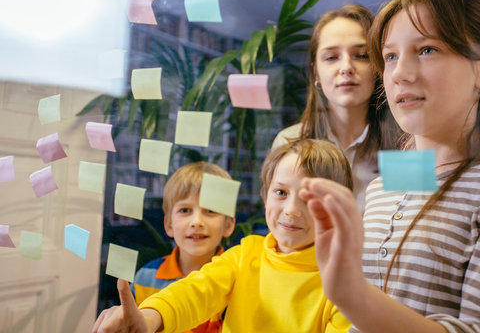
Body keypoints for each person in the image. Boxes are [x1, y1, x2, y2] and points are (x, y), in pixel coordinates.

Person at [300, 0, 480, 333]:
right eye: (390, 56)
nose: (398, 74)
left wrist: (353, 297)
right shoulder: (385, 185)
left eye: (427, 50)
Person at [93, 139, 353, 333]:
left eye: (309, 197)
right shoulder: (245, 254)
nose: (292, 210)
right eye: (281, 193)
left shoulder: (344, 285)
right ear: (265, 196)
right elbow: (196, 290)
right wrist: (149, 318)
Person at [272, 4, 400, 211]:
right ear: (316, 73)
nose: (346, 68)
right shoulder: (289, 143)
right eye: (331, 57)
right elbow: (282, 224)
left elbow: (413, 228)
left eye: (361, 55)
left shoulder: (404, 146)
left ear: (377, 66)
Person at [130, 162, 236, 333]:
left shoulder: (235, 283)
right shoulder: (145, 277)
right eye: (185, 210)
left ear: (228, 225)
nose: (196, 222)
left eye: (210, 211)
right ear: (169, 225)